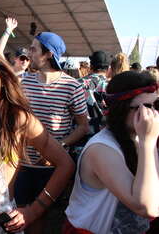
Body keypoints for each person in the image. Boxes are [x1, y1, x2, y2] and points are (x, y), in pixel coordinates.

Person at [0, 46, 75, 233]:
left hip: (2, 226)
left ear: (2, 77)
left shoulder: (18, 120)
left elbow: (65, 164)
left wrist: (34, 210)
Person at [0, 26, 88, 233]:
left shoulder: (72, 86)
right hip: (20, 165)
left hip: (52, 169)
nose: (29, 53)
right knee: (15, 216)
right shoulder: (23, 81)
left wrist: (58, 146)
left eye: (34, 49)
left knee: (38, 219)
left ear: (48, 55)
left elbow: (83, 126)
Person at [64, 71, 159, 233]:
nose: (154, 114)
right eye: (147, 107)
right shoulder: (101, 148)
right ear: (121, 109)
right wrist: (148, 142)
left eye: (156, 105)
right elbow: (148, 208)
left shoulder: (138, 136)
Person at [78, 51, 109, 136]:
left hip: (79, 136)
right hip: (105, 136)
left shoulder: (78, 83)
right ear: (108, 69)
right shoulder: (112, 85)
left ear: (91, 66)